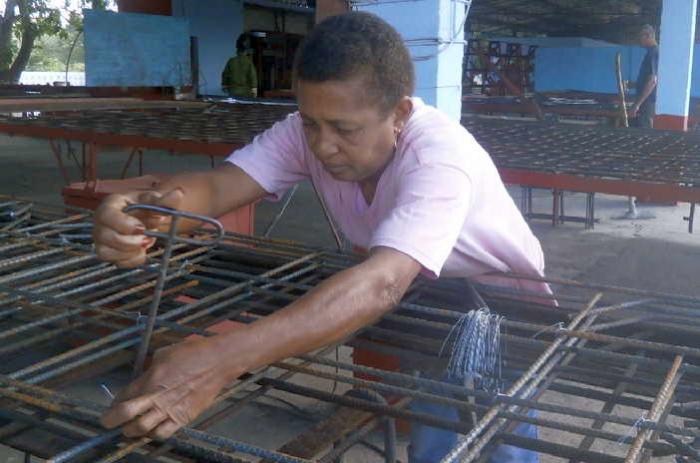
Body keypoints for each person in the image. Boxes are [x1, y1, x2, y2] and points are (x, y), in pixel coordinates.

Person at [94, 12, 549, 462]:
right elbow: (217, 187)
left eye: (344, 130)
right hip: (427, 297)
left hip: (503, 306)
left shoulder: (439, 159)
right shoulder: (306, 131)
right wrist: (144, 213)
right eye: (310, 122)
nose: (322, 145)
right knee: (437, 432)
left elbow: (382, 282)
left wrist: (219, 361)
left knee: (500, 438)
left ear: (400, 114)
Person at [630, 24, 659, 128]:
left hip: (648, 102)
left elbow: (652, 81)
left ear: (648, 36)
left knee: (645, 134)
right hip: (646, 101)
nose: (639, 40)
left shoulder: (653, 53)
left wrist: (638, 104)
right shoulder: (651, 53)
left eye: (641, 36)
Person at [221, 33, 258, 98]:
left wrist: (224, 86)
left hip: (233, 91)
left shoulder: (231, 61)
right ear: (246, 51)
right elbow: (253, 76)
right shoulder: (249, 62)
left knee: (233, 107)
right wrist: (254, 90)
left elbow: (225, 74)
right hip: (246, 92)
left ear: (237, 50)